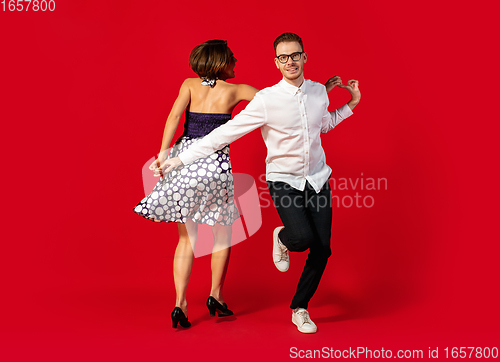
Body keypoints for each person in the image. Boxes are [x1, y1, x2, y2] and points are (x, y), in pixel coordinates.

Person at [157, 33, 361, 334]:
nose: (290, 61)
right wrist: (179, 159)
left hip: (318, 178)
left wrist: (351, 103)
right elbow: (223, 134)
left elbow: (323, 124)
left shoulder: (319, 92)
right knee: (298, 239)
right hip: (282, 179)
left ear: (305, 57)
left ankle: (299, 308)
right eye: (283, 57)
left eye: (295, 55)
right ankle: (281, 239)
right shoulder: (265, 98)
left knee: (322, 249)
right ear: (276, 63)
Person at [133, 40, 258, 328]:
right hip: (214, 165)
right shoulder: (237, 90)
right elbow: (274, 101)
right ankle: (216, 296)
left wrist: (163, 153)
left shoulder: (188, 84)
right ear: (220, 62)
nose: (236, 61)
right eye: (231, 58)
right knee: (222, 236)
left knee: (186, 239)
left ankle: (180, 304)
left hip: (184, 162)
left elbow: (174, 116)